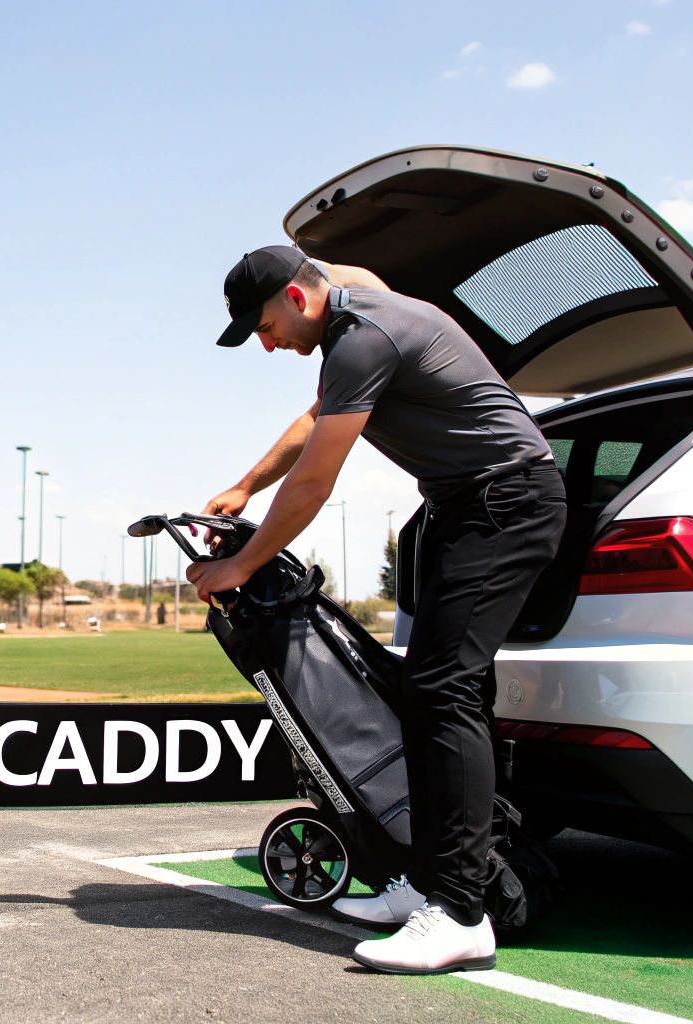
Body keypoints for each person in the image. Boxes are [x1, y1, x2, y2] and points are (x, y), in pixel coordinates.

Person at [185, 244, 565, 975]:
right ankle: (428, 883)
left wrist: (239, 563)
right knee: (438, 692)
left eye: (264, 327)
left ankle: (460, 914)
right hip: (463, 505)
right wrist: (245, 487)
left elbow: (316, 483)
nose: (266, 345)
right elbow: (315, 415)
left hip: (506, 500)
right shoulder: (350, 311)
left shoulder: (363, 338)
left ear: (296, 300)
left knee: (441, 689)